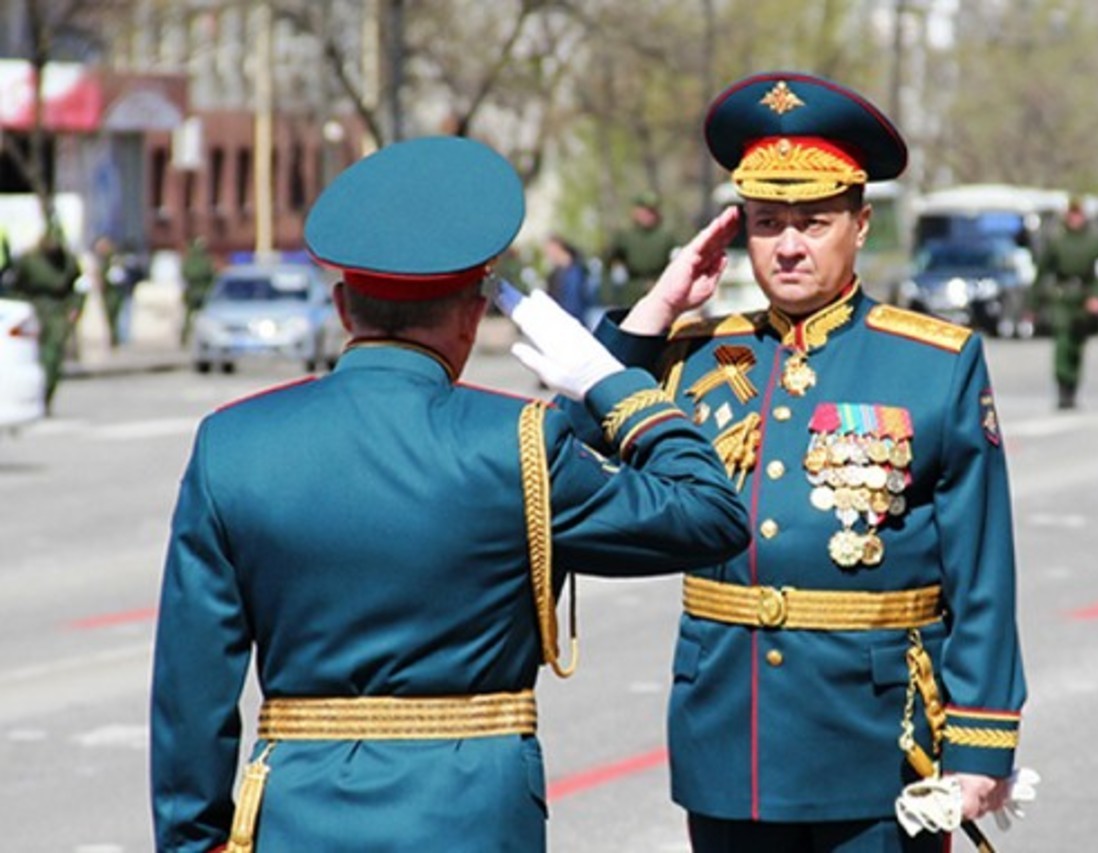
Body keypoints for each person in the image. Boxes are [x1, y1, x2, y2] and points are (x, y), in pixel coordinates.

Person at [149, 135, 750, 852]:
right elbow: (710, 512)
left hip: (297, 819)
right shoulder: (520, 444)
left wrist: (195, 843)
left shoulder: (233, 444)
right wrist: (611, 379)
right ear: (472, 314)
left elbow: (191, 694)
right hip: (472, 817)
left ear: (342, 307)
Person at [576, 72, 1028, 852]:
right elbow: (569, 439)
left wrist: (981, 749)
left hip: (875, 742)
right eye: (765, 221)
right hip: (729, 733)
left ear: (860, 223)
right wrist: (658, 308)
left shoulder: (933, 363)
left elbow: (980, 573)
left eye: (813, 221)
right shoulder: (695, 351)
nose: (787, 245)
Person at [1032, 197, 1098, 410]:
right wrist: (1033, 304)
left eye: (1078, 214)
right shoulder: (1057, 240)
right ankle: (1062, 387)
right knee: (1062, 341)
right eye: (1071, 214)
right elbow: (1042, 271)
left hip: (1084, 297)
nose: (1075, 219)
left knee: (1076, 345)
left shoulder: (1094, 241)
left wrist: (1097, 296)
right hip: (1062, 298)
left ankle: (1073, 387)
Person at [9, 226, 83, 413]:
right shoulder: (28, 261)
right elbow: (15, 287)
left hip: (59, 310)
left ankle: (46, 396)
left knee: (53, 355)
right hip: (34, 309)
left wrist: (75, 308)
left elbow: (80, 286)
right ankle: (33, 397)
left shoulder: (68, 262)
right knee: (32, 355)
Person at [603, 191, 677, 310]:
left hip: (660, 292)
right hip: (631, 295)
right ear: (635, 211)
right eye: (645, 210)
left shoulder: (667, 237)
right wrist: (608, 295)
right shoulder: (625, 237)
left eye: (652, 211)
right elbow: (607, 263)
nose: (648, 215)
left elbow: (679, 262)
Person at [542, 232, 591, 324]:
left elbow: (573, 305)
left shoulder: (574, 272)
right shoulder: (557, 272)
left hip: (571, 324)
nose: (548, 254)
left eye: (548, 250)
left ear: (557, 247)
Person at [180, 236, 217, 346]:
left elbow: (184, 274)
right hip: (201, 292)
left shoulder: (188, 260)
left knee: (189, 317)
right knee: (206, 317)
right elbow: (211, 276)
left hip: (192, 292)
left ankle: (185, 338)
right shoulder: (204, 261)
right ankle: (205, 339)